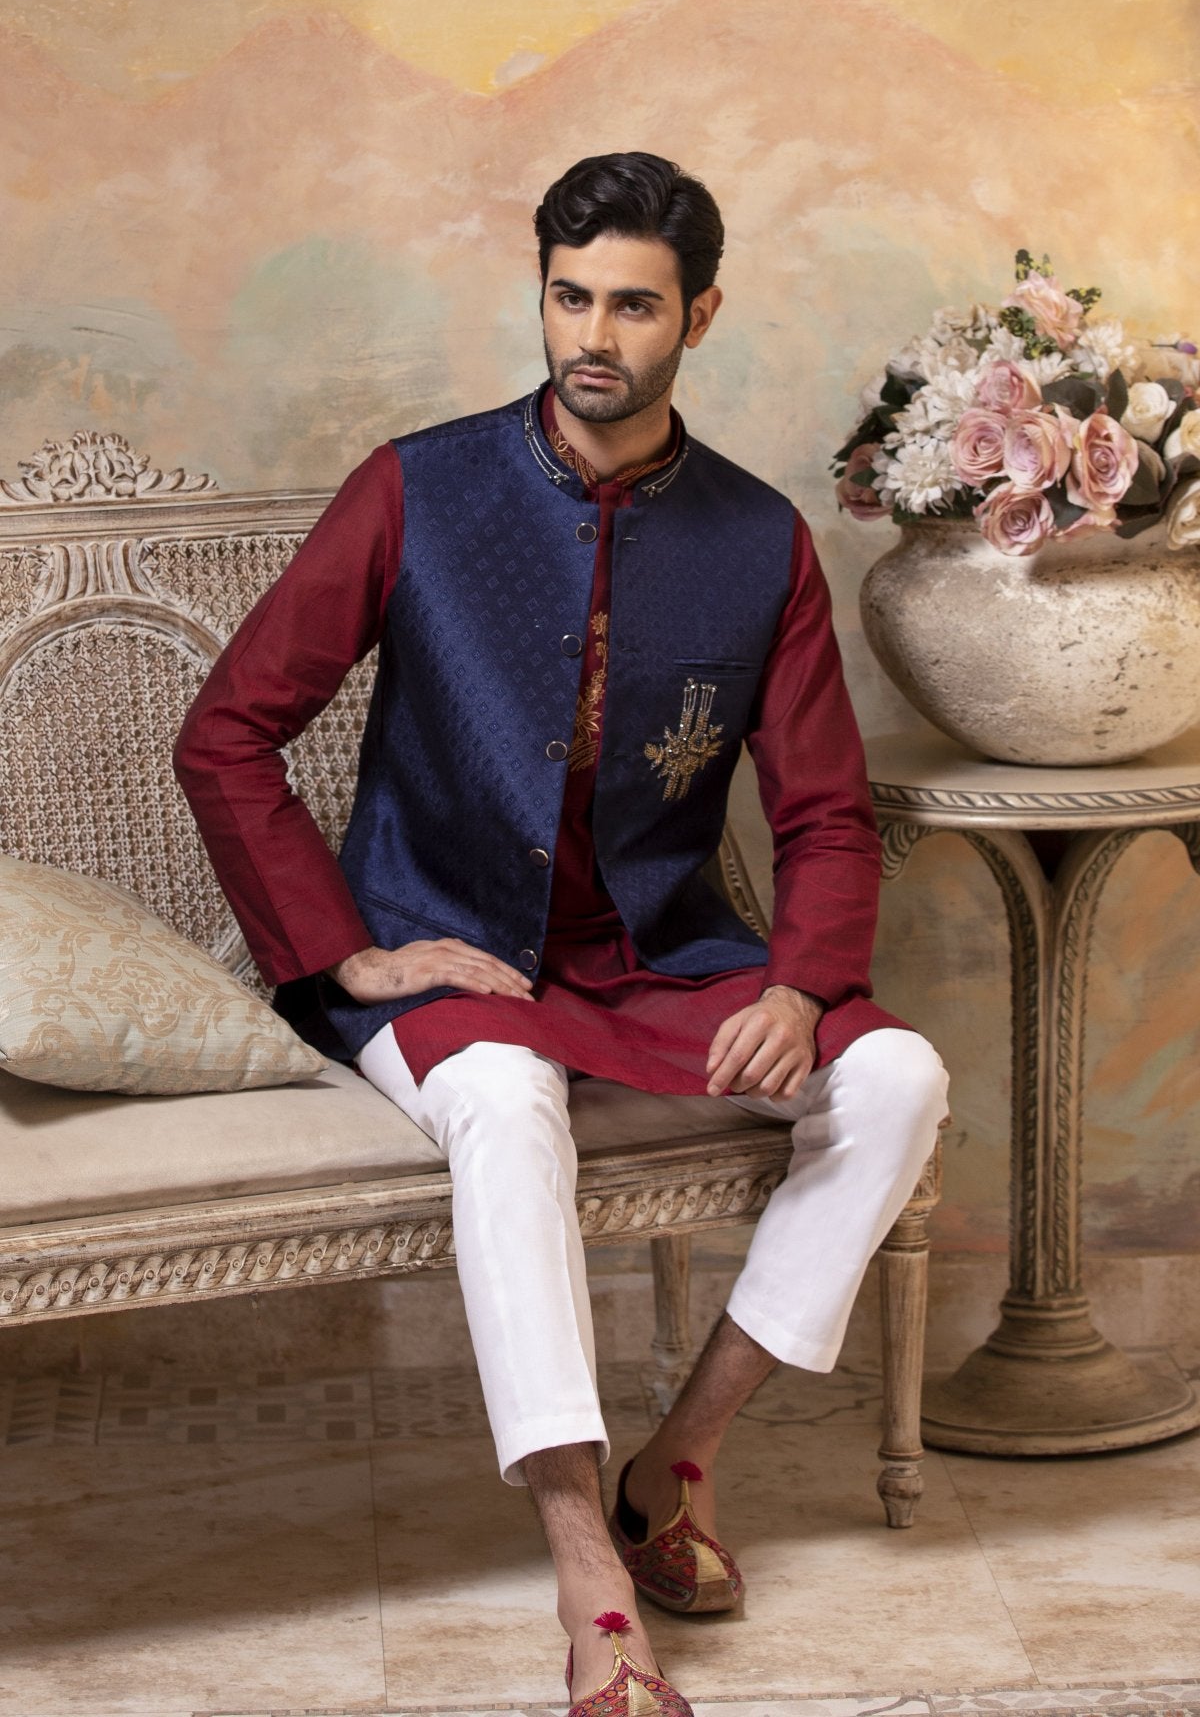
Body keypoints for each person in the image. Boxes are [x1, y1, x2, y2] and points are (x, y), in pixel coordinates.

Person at [175, 152, 948, 1717]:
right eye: (569, 296)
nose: (593, 335)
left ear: (699, 316)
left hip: (660, 958)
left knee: (902, 1078)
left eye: (634, 307)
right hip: (445, 950)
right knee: (505, 1105)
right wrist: (350, 954)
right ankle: (585, 1559)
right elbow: (228, 733)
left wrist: (802, 986)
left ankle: (681, 1460)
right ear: (541, 293)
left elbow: (822, 812)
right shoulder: (419, 487)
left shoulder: (758, 540)